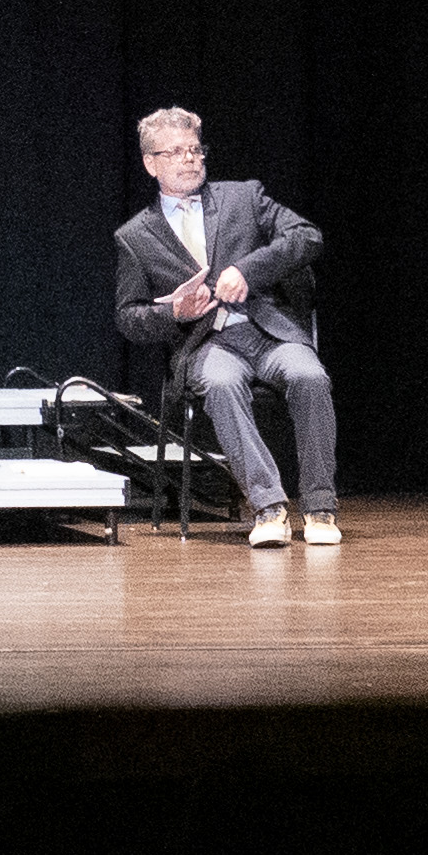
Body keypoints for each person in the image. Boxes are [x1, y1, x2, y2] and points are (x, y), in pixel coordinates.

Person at [111, 106, 338, 548]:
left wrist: (248, 270)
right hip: (206, 343)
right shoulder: (135, 236)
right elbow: (128, 317)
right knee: (221, 383)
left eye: (195, 149)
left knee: (309, 375)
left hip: (267, 330)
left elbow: (307, 236)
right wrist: (175, 313)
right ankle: (269, 506)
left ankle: (319, 505)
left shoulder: (243, 197)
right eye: (175, 152)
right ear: (150, 163)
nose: (190, 159)